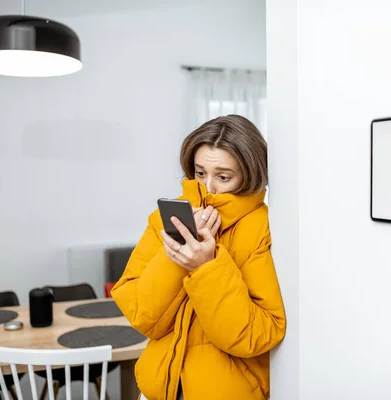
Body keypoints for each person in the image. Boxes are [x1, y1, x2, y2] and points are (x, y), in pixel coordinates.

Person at [111, 115, 286, 400]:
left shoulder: (265, 228)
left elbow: (257, 335)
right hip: (158, 390)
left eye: (224, 176)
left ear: (249, 173)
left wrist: (206, 267)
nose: (208, 188)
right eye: (200, 172)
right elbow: (142, 317)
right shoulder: (164, 220)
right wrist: (178, 253)